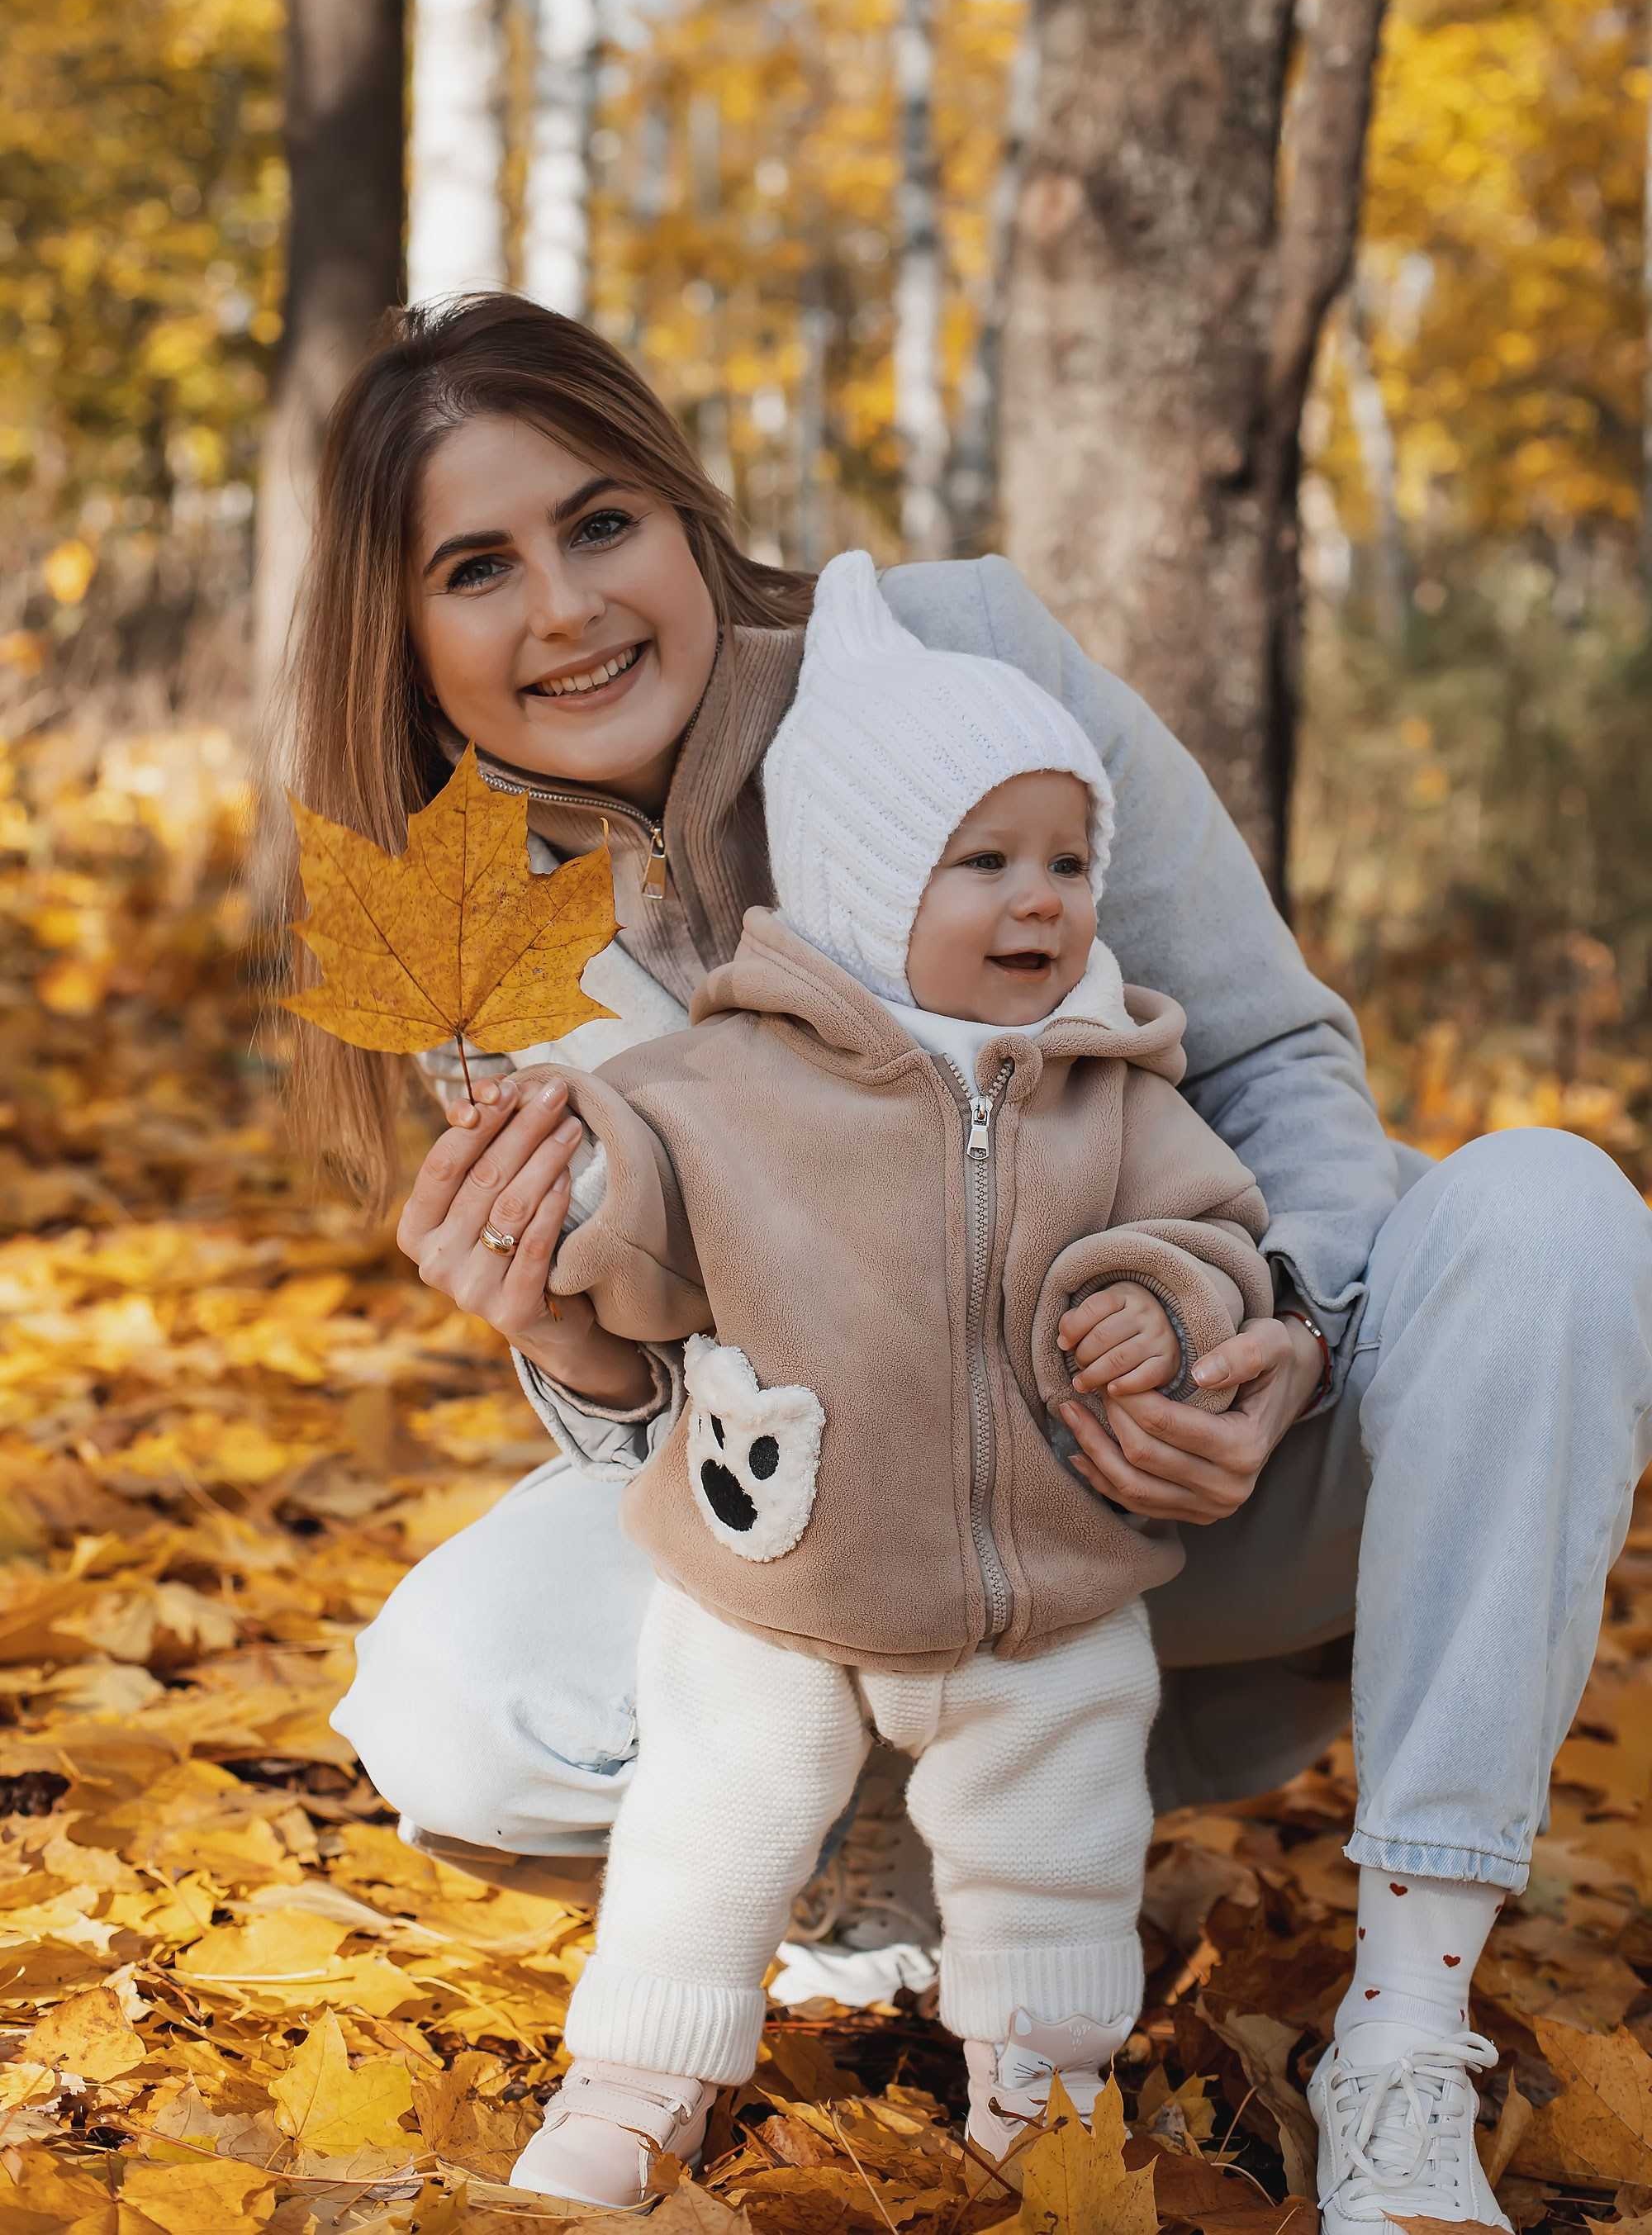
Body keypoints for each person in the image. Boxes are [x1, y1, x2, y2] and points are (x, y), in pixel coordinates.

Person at [282, 294, 1652, 2235]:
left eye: (601, 524)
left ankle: (1406, 2035)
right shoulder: (472, 927)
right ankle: (892, 1875)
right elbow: (669, 1420)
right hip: (838, 1557)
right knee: (456, 1704)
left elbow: (1266, 1052)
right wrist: (570, 1352)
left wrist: (1271, 1327)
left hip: (1176, 1480)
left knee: (1550, 1207)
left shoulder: (961, 657)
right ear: (405, 632)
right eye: (476, 568)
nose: (564, 608)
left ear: (684, 511)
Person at [502, 554, 1274, 2203]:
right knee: (705, 1837)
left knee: (1054, 1848)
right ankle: (638, 2079)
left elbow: (1218, 1230)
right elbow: (636, 1216)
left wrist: (1163, 1296)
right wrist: (566, 1201)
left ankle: (1042, 2093)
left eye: (1068, 859)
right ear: (862, 880)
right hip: (771, 1578)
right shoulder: (729, 1076)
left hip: (1041, 1588)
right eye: (982, 859)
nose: (1039, 900)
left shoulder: (1113, 1080)